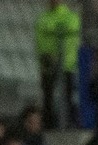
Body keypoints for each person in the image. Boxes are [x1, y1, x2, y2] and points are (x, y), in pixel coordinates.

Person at [34, 0, 81, 132]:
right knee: (48, 96)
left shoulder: (70, 17)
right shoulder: (44, 17)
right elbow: (40, 38)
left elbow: (70, 32)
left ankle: (67, 124)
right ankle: (50, 125)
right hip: (48, 63)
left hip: (65, 63)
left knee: (66, 96)